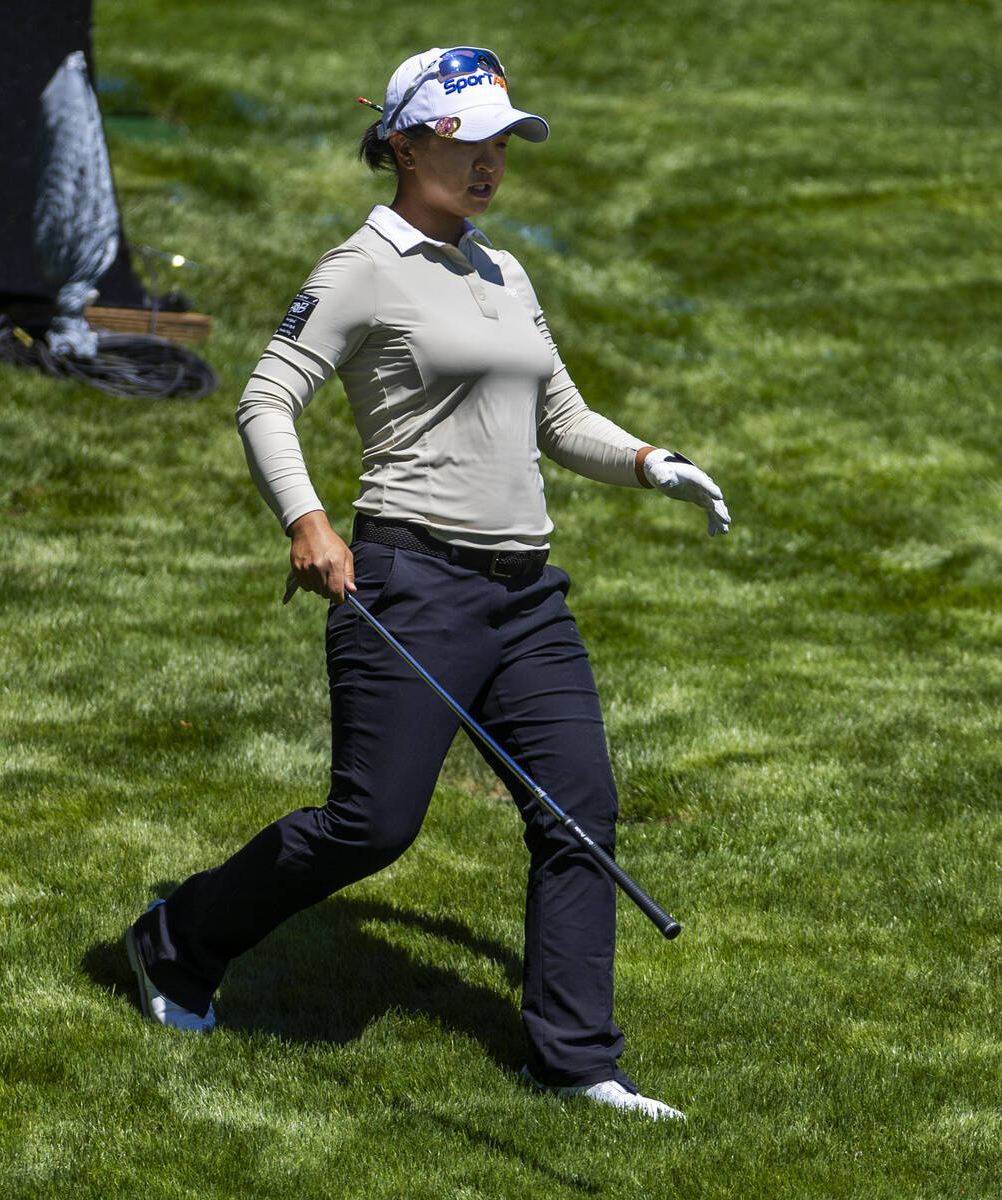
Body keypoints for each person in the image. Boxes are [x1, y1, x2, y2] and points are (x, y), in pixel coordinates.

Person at [125, 45, 730, 1121]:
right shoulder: (358, 269)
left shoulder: (503, 270)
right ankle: (175, 940)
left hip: (525, 597)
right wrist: (308, 521)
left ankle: (577, 1060)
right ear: (403, 143)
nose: (491, 161)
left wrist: (648, 462)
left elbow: (560, 420)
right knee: (370, 826)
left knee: (577, 814)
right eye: (468, 142)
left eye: (503, 141)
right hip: (411, 585)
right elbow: (266, 400)